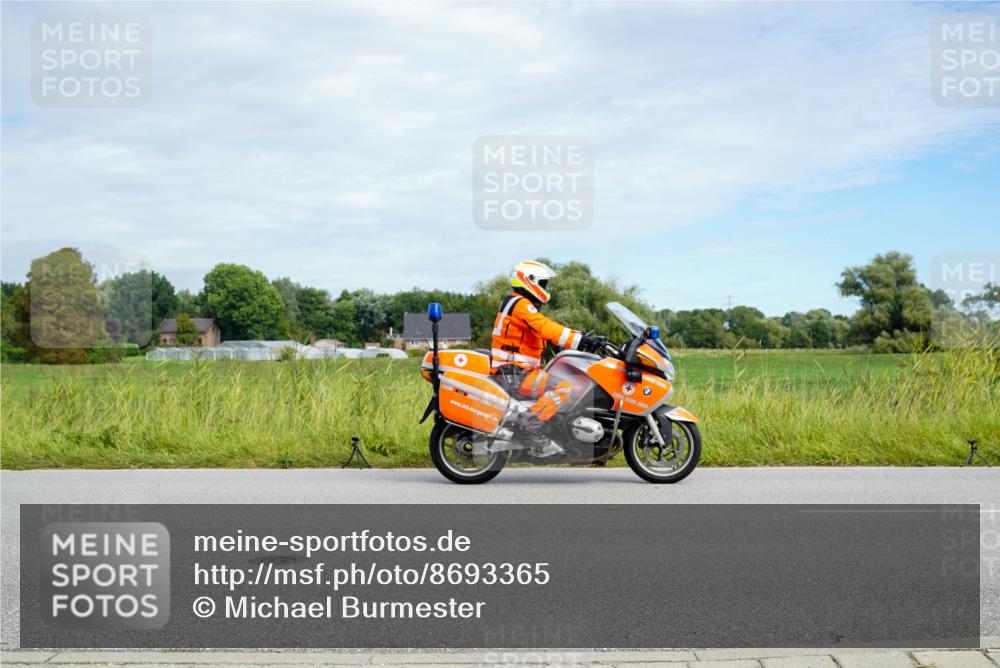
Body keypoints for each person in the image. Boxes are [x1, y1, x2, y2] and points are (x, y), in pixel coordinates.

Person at [490, 260, 602, 456]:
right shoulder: (521, 305)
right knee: (564, 388)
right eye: (543, 283)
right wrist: (582, 341)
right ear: (529, 281)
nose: (545, 288)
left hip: (516, 371)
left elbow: (547, 329)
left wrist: (582, 336)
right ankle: (528, 425)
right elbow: (547, 328)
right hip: (514, 373)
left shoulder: (518, 304)